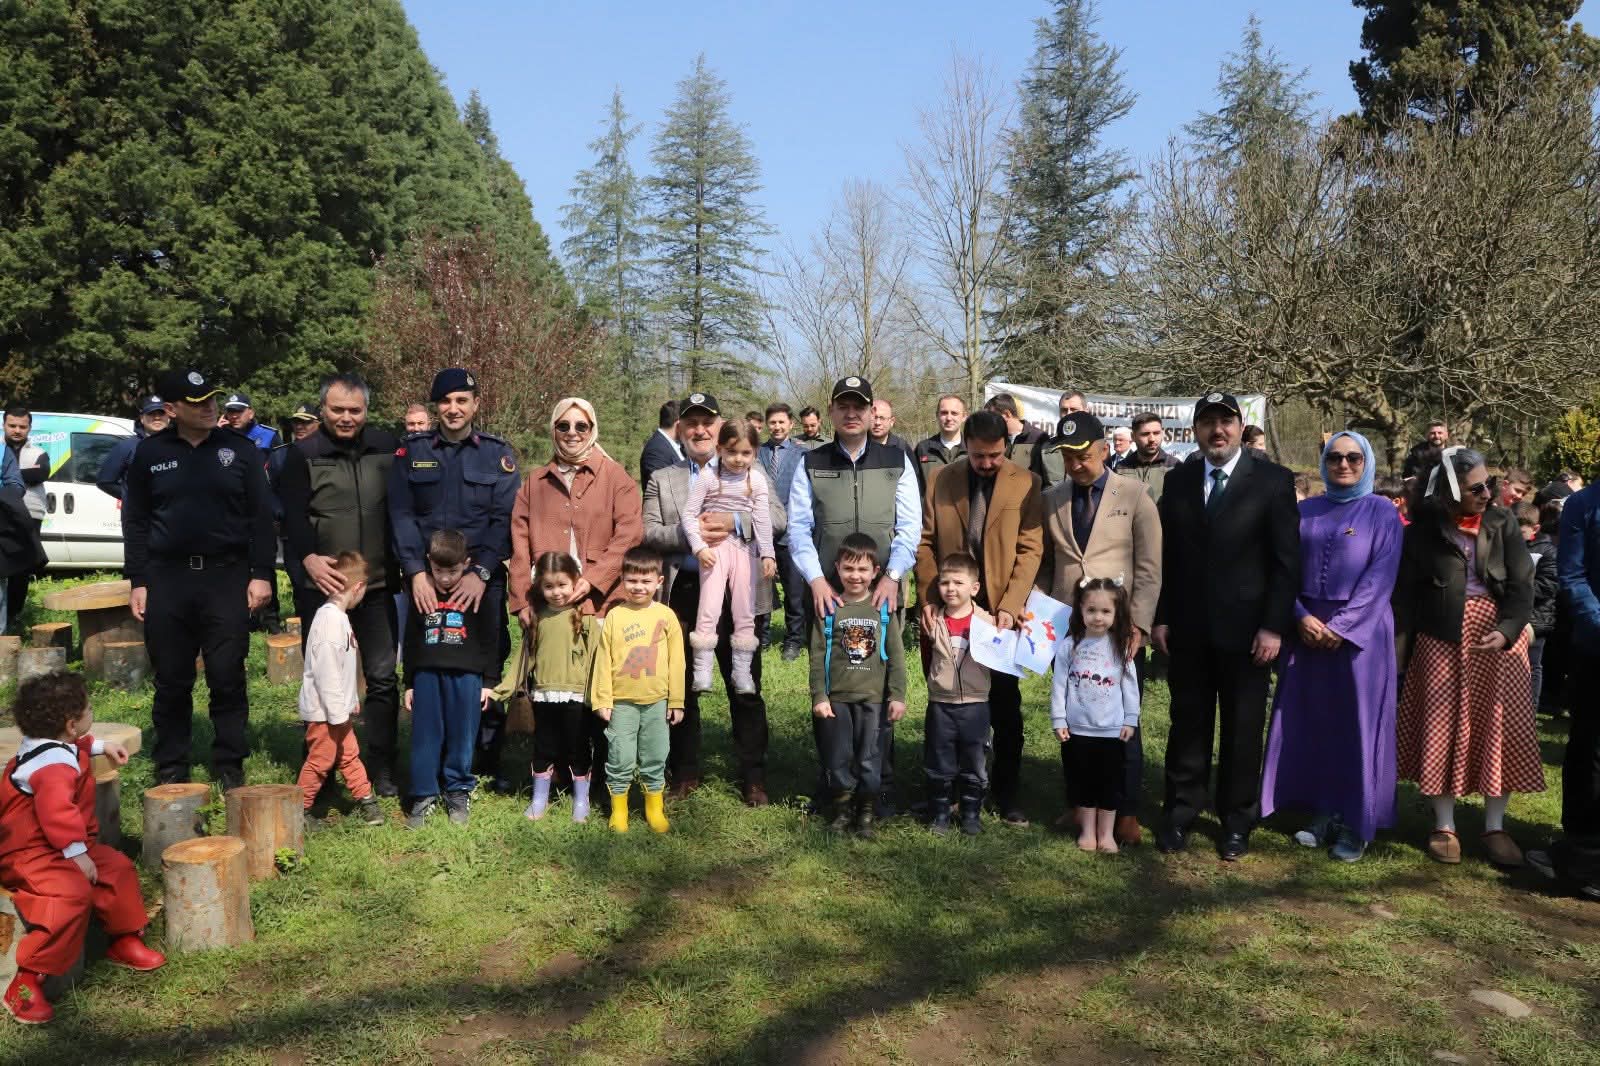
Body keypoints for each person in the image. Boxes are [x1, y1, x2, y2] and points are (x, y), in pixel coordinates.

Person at [1153, 392, 1299, 861]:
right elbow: (1166, 558)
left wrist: (1274, 627)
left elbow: (1285, 564)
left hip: (1248, 634)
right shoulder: (1178, 482)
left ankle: (1236, 819)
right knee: (1188, 724)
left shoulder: (1273, 481)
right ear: (1195, 430)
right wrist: (1160, 616)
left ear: (1240, 427)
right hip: (1189, 630)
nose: (1218, 430)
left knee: (1242, 728)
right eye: (1208, 422)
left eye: (1226, 422)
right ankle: (1181, 810)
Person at [124, 368, 275, 790]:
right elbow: (135, 520)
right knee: (172, 678)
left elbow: (261, 518)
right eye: (197, 403)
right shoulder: (149, 454)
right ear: (171, 410)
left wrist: (262, 574)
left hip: (226, 578)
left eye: (212, 399)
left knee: (227, 675)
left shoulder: (240, 452)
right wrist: (138, 579)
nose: (210, 408)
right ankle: (171, 765)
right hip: (167, 579)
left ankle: (230, 763)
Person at [1259, 432, 1404, 863]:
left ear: (1367, 462)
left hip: (1361, 637)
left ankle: (1354, 822)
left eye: (1353, 458)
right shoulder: (1304, 511)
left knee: (1356, 725)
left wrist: (1341, 627)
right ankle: (1320, 809)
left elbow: (1381, 577)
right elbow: (1282, 568)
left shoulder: (1383, 513)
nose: (1343, 465)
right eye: (1335, 457)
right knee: (1315, 723)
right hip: (1305, 631)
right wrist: (1300, 616)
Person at [1394, 447, 1542, 867]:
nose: (1487, 493)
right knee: (1441, 728)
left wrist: (1509, 629)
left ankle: (1495, 826)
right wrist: (1398, 656)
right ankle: (1444, 825)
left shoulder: (1502, 521)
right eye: (1477, 487)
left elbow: (1521, 585)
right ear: (1449, 490)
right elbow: (1405, 596)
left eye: (1489, 484)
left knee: (1500, 727)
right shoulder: (1422, 530)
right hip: (1440, 639)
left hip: (1497, 640)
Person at [641, 392, 786, 806]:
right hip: (685, 591)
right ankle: (685, 771)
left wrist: (735, 521)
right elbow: (649, 530)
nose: (700, 430)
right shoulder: (663, 478)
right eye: (692, 423)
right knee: (681, 685)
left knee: (745, 683)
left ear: (720, 427)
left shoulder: (750, 467)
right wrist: (694, 533)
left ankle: (753, 775)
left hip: (739, 586)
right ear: (681, 430)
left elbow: (777, 519)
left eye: (708, 422)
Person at [790, 375, 921, 818]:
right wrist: (815, 580)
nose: (851, 413)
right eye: (843, 405)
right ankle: (834, 781)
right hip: (830, 596)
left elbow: (909, 528)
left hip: (881, 595)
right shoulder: (812, 463)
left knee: (879, 686)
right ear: (831, 411)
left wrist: (893, 577)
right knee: (830, 686)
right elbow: (798, 530)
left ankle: (878, 785)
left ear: (870, 412)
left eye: (859, 405)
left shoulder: (896, 460)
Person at [0, 673, 165, 1025]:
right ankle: (27, 979)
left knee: (117, 869)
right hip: (29, 854)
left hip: (61, 846)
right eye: (88, 708)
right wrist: (76, 854)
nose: (92, 710)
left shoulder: (51, 744)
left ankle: (123, 939)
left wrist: (101, 746)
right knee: (70, 894)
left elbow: (73, 746)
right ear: (71, 723)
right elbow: (56, 812)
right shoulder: (52, 768)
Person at [389, 367, 520, 792]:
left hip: (480, 581)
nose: (453, 408)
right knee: (426, 662)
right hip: (426, 579)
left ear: (475, 405)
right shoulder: (412, 452)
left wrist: (480, 573)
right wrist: (415, 574)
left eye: (462, 400)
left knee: (486, 663)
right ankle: (433, 758)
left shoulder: (497, 456)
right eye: (445, 401)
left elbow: (505, 521)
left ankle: (483, 760)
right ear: (435, 407)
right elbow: (402, 515)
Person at [915, 410, 1043, 826]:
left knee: (1005, 708)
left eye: (994, 455)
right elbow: (926, 543)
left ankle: (1006, 793)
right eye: (977, 456)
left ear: (1005, 446)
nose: (986, 463)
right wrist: (931, 596)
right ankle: (948, 792)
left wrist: (1009, 605)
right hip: (951, 610)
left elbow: (1030, 549)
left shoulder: (1026, 483)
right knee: (949, 704)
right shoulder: (941, 480)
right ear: (965, 446)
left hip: (999, 617)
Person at [1038, 412, 1161, 843]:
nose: (1074, 465)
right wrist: (1034, 612)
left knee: (1123, 721)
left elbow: (1149, 568)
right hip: (1071, 630)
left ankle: (1125, 810)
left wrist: (1139, 625)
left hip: (1118, 631)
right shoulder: (1051, 497)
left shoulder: (1135, 494)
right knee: (1074, 717)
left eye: (1083, 456)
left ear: (1104, 450)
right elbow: (1047, 565)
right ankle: (1079, 805)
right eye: (1067, 457)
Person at [279, 374, 404, 796]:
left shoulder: (388, 447)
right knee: (323, 679)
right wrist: (308, 559)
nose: (347, 418)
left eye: (355, 410)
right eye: (337, 410)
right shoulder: (302, 454)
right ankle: (323, 765)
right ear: (323, 409)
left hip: (378, 585)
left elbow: (402, 507)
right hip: (324, 589)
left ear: (367, 410)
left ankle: (383, 766)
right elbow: (292, 517)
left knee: (383, 677)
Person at [1528, 480, 1600, 898]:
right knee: (1590, 748)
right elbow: (1573, 575)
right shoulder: (1584, 505)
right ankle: (1583, 852)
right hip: (1595, 647)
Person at [401, 530, 501, 829]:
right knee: (425, 737)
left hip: (468, 677)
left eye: (453, 571)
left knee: (462, 735)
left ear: (467, 564)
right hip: (427, 675)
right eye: (438, 570)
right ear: (428, 563)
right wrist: (408, 682)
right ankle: (424, 795)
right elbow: (412, 639)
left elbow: (490, 638)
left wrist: (489, 682)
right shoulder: (422, 593)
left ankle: (458, 790)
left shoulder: (476, 594)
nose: (445, 578)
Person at [508, 397, 642, 620]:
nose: (572, 432)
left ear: (592, 430)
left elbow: (630, 534)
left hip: (602, 603)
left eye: (581, 426)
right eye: (563, 426)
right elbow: (519, 546)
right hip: (546, 603)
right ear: (553, 430)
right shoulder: (535, 482)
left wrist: (594, 579)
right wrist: (522, 601)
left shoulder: (616, 477)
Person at [810, 533, 907, 839]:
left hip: (875, 701)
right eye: (849, 569)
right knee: (838, 758)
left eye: (863, 569)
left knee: (870, 759)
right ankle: (842, 811)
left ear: (875, 571)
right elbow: (816, 657)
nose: (855, 576)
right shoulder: (829, 608)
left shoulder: (881, 609)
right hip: (836, 700)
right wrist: (819, 696)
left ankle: (866, 813)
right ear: (837, 568)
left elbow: (896, 656)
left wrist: (898, 695)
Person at [590, 546, 684, 834]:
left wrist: (676, 700)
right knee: (620, 755)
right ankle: (619, 810)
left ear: (659, 582)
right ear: (622, 579)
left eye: (646, 581)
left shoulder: (666, 617)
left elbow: (677, 662)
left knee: (655, 753)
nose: (639, 587)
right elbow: (603, 660)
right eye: (632, 580)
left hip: (657, 701)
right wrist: (602, 698)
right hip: (622, 703)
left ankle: (653, 808)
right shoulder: (615, 617)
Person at [682, 422, 776, 694]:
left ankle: (742, 672)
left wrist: (768, 553)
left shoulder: (756, 479)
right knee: (709, 607)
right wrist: (699, 547)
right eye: (732, 452)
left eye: (746, 453)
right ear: (720, 449)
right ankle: (702, 671)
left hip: (745, 550)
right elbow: (689, 515)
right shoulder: (709, 476)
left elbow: (762, 519)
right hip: (714, 551)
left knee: (744, 609)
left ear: (755, 453)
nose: (739, 459)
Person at [1050, 578, 1141, 854]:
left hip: (1111, 731)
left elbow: (1130, 687)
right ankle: (1088, 833)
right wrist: (1059, 718)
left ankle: (1106, 836)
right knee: (1083, 783)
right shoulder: (1069, 647)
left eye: (1105, 612)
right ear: (1080, 610)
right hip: (1078, 731)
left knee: (1110, 784)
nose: (1098, 617)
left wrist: (1130, 719)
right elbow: (1059, 685)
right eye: (1091, 611)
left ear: (1116, 614)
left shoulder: (1120, 648)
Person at [296, 550, 384, 827]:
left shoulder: (340, 618)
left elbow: (342, 671)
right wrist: (338, 712)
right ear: (357, 588)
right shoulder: (329, 622)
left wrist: (350, 702)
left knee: (349, 755)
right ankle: (299, 809)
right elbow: (326, 674)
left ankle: (367, 801)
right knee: (320, 762)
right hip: (324, 714)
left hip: (337, 711)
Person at [522, 551, 598, 824]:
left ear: (575, 581)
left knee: (577, 745)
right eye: (549, 586)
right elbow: (526, 658)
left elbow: (595, 659)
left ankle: (581, 800)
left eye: (562, 585)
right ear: (539, 587)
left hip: (576, 694)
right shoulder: (537, 618)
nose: (556, 592)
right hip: (543, 693)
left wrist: (595, 694)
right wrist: (502, 690)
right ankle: (539, 798)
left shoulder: (585, 617)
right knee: (543, 745)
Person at [921, 552, 993, 837]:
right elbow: (927, 658)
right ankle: (940, 812)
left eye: (958, 583)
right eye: (944, 582)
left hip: (976, 704)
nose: (950, 588)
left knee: (975, 759)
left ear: (974, 588)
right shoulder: (932, 620)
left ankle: (971, 813)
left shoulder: (987, 623)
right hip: (941, 703)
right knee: (939, 759)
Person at [758, 402, 808, 659]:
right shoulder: (757, 453)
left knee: (794, 591)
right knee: (762, 588)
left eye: (781, 422)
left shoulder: (802, 453)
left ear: (791, 424)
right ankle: (762, 637)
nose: (777, 427)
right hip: (762, 532)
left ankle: (793, 640)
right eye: (773, 422)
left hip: (791, 533)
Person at [2, 408, 47, 633]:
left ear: (29, 428)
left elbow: (41, 474)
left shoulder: (37, 451)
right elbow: (28, 476)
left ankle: (14, 617)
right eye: (12, 425)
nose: (17, 430)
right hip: (3, 516)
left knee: (21, 569)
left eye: (22, 426)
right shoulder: (1, 450)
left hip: (28, 515)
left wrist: (10, 475)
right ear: (4, 425)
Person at [1520, 501, 1560, 718]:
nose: (1517, 534)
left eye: (1522, 530)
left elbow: (1549, 584)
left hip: (1537, 618)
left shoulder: (1547, 551)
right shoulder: (1512, 546)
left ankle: (1530, 711)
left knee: (1533, 666)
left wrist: (1519, 593)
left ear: (1535, 528)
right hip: (1515, 615)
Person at [96, 395, 169, 500]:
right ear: (142, 419)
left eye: (161, 413)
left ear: (168, 417)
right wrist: (134, 498)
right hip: (139, 515)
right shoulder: (126, 446)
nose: (157, 417)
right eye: (151, 414)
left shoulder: (179, 444)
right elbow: (105, 482)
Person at [1116, 412, 1182, 503]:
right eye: (1145, 434)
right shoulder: (1121, 468)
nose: (1152, 439)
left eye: (1156, 433)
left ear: (1162, 434)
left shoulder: (1176, 467)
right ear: (1133, 437)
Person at [1029, 390, 1087, 490]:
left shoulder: (1095, 445)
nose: (1068, 414)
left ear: (1085, 411)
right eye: (1064, 410)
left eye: (1074, 409)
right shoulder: (1046, 448)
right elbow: (1037, 485)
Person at [912, 394, 967, 495]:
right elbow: (915, 489)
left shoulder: (972, 449)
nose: (949, 418)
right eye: (944, 413)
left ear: (964, 417)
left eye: (954, 413)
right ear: (937, 415)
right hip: (931, 510)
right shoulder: (923, 449)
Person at [984, 393, 1046, 474]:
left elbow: (1052, 482)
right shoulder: (995, 440)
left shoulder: (1039, 438)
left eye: (991, 417)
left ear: (1006, 414)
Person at [640, 400, 683, 487]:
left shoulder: (680, 446)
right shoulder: (656, 451)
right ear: (679, 424)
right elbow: (665, 490)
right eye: (690, 423)